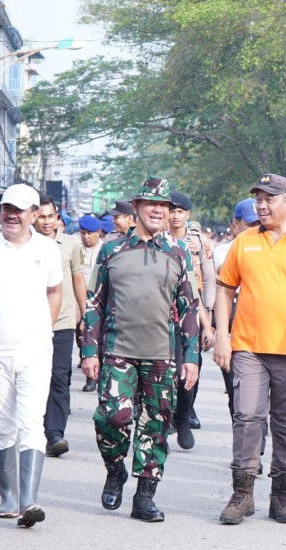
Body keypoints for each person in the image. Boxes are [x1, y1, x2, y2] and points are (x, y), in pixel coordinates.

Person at [213, 173, 286, 525]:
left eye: (269, 198)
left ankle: (281, 496)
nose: (261, 205)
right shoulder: (244, 242)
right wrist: (223, 336)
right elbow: (224, 290)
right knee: (247, 416)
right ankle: (242, 494)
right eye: (258, 199)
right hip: (249, 347)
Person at [81, 177, 200, 523]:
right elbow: (93, 304)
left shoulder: (178, 252)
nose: (159, 211)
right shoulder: (111, 250)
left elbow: (190, 307)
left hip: (162, 354)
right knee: (111, 418)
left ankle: (145, 495)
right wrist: (89, 350)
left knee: (156, 425)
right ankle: (115, 469)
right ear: (136, 209)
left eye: (164, 206)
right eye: (152, 205)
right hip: (119, 350)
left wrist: (190, 357)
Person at [0, 184, 62, 527]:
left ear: (35, 214)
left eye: (19, 210)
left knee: (32, 424)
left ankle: (28, 500)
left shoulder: (48, 249)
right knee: (2, 425)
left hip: (36, 350)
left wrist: (43, 331)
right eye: (7, 208)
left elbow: (55, 290)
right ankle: (8, 495)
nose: (11, 215)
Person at [34, 197, 87, 458]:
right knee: (34, 378)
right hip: (30, 323)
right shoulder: (25, 244)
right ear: (33, 217)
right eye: (41, 216)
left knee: (58, 377)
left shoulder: (70, 245)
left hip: (63, 323)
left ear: (58, 218)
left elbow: (78, 278)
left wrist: (85, 313)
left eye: (50, 216)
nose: (46, 221)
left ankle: (55, 434)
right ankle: (32, 429)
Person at [168, 191, 215, 449]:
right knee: (167, 372)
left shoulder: (199, 242)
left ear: (187, 215)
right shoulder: (156, 237)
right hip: (164, 314)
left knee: (190, 369)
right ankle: (163, 422)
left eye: (180, 211)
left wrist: (209, 318)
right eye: (171, 210)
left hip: (194, 312)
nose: (175, 216)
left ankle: (183, 417)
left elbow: (208, 280)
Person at [212, 198, 260, 418]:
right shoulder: (224, 250)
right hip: (233, 311)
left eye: (259, 223)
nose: (256, 229)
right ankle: (240, 422)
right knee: (233, 380)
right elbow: (228, 275)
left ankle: (257, 421)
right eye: (250, 224)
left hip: (260, 314)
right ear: (235, 225)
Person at [78, 214, 104, 393]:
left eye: (90, 233)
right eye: (83, 233)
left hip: (101, 302)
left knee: (101, 342)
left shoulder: (107, 249)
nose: (86, 237)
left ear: (98, 233)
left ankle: (101, 375)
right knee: (82, 340)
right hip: (80, 302)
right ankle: (90, 377)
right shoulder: (76, 249)